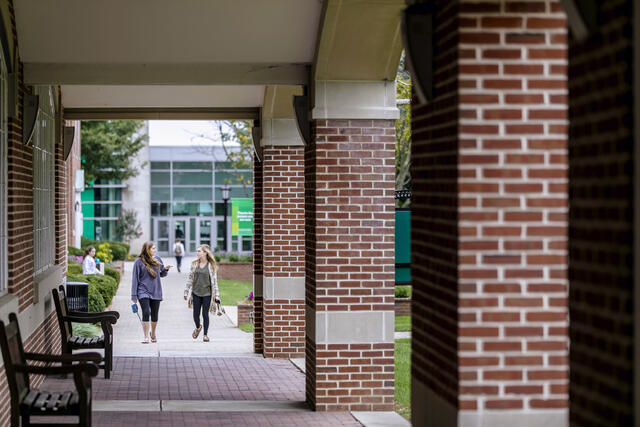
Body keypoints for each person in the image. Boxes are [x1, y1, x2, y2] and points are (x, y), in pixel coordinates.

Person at [131, 241, 172, 344]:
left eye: (155, 248)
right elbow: (135, 279)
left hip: (156, 291)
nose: (155, 250)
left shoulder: (157, 259)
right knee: (146, 312)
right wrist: (134, 295)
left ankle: (152, 334)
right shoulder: (139, 261)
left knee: (154, 315)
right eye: (153, 248)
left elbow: (161, 274)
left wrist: (165, 269)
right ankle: (145, 337)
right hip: (143, 291)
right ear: (147, 250)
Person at [184, 244, 220, 342]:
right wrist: (186, 291)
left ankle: (205, 335)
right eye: (197, 251)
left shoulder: (210, 266)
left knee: (205, 314)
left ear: (205, 253)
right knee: (195, 315)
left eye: (199, 251)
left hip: (207, 294)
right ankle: (198, 327)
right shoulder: (194, 264)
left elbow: (215, 282)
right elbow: (190, 278)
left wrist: (217, 296)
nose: (197, 253)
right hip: (196, 293)